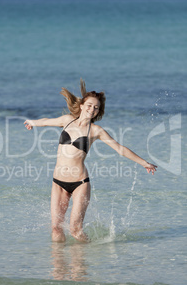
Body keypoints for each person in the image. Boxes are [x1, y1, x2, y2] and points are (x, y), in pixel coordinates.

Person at [24, 79, 157, 243]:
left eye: (96, 107)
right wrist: (32, 123)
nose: (92, 109)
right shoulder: (67, 120)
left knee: (75, 230)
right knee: (56, 229)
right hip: (58, 182)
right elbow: (45, 121)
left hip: (80, 183)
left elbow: (120, 149)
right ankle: (58, 266)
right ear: (81, 105)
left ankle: (84, 260)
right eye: (89, 105)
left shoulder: (96, 131)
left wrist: (144, 163)